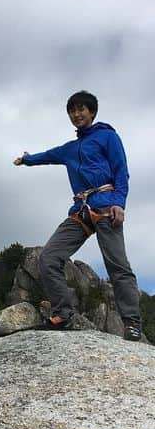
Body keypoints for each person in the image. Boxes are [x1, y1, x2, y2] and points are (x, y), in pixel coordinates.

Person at [13, 90, 143, 341]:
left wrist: (119, 203)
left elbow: (121, 172)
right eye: (72, 111)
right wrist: (27, 160)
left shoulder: (107, 137)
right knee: (49, 257)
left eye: (81, 109)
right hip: (80, 210)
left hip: (106, 205)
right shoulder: (70, 149)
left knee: (117, 265)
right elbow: (47, 156)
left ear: (92, 112)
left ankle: (132, 321)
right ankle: (63, 312)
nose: (76, 114)